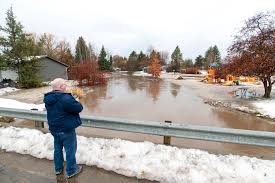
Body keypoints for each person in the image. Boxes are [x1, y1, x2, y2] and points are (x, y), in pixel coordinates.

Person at [44, 78, 83, 179]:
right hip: (66, 130)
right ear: (61, 86)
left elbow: (59, 108)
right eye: (65, 85)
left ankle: (58, 169)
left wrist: (71, 99)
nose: (66, 87)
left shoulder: (48, 98)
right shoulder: (65, 98)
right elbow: (78, 108)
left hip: (54, 129)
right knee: (70, 150)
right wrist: (76, 100)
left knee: (57, 149)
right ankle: (71, 170)